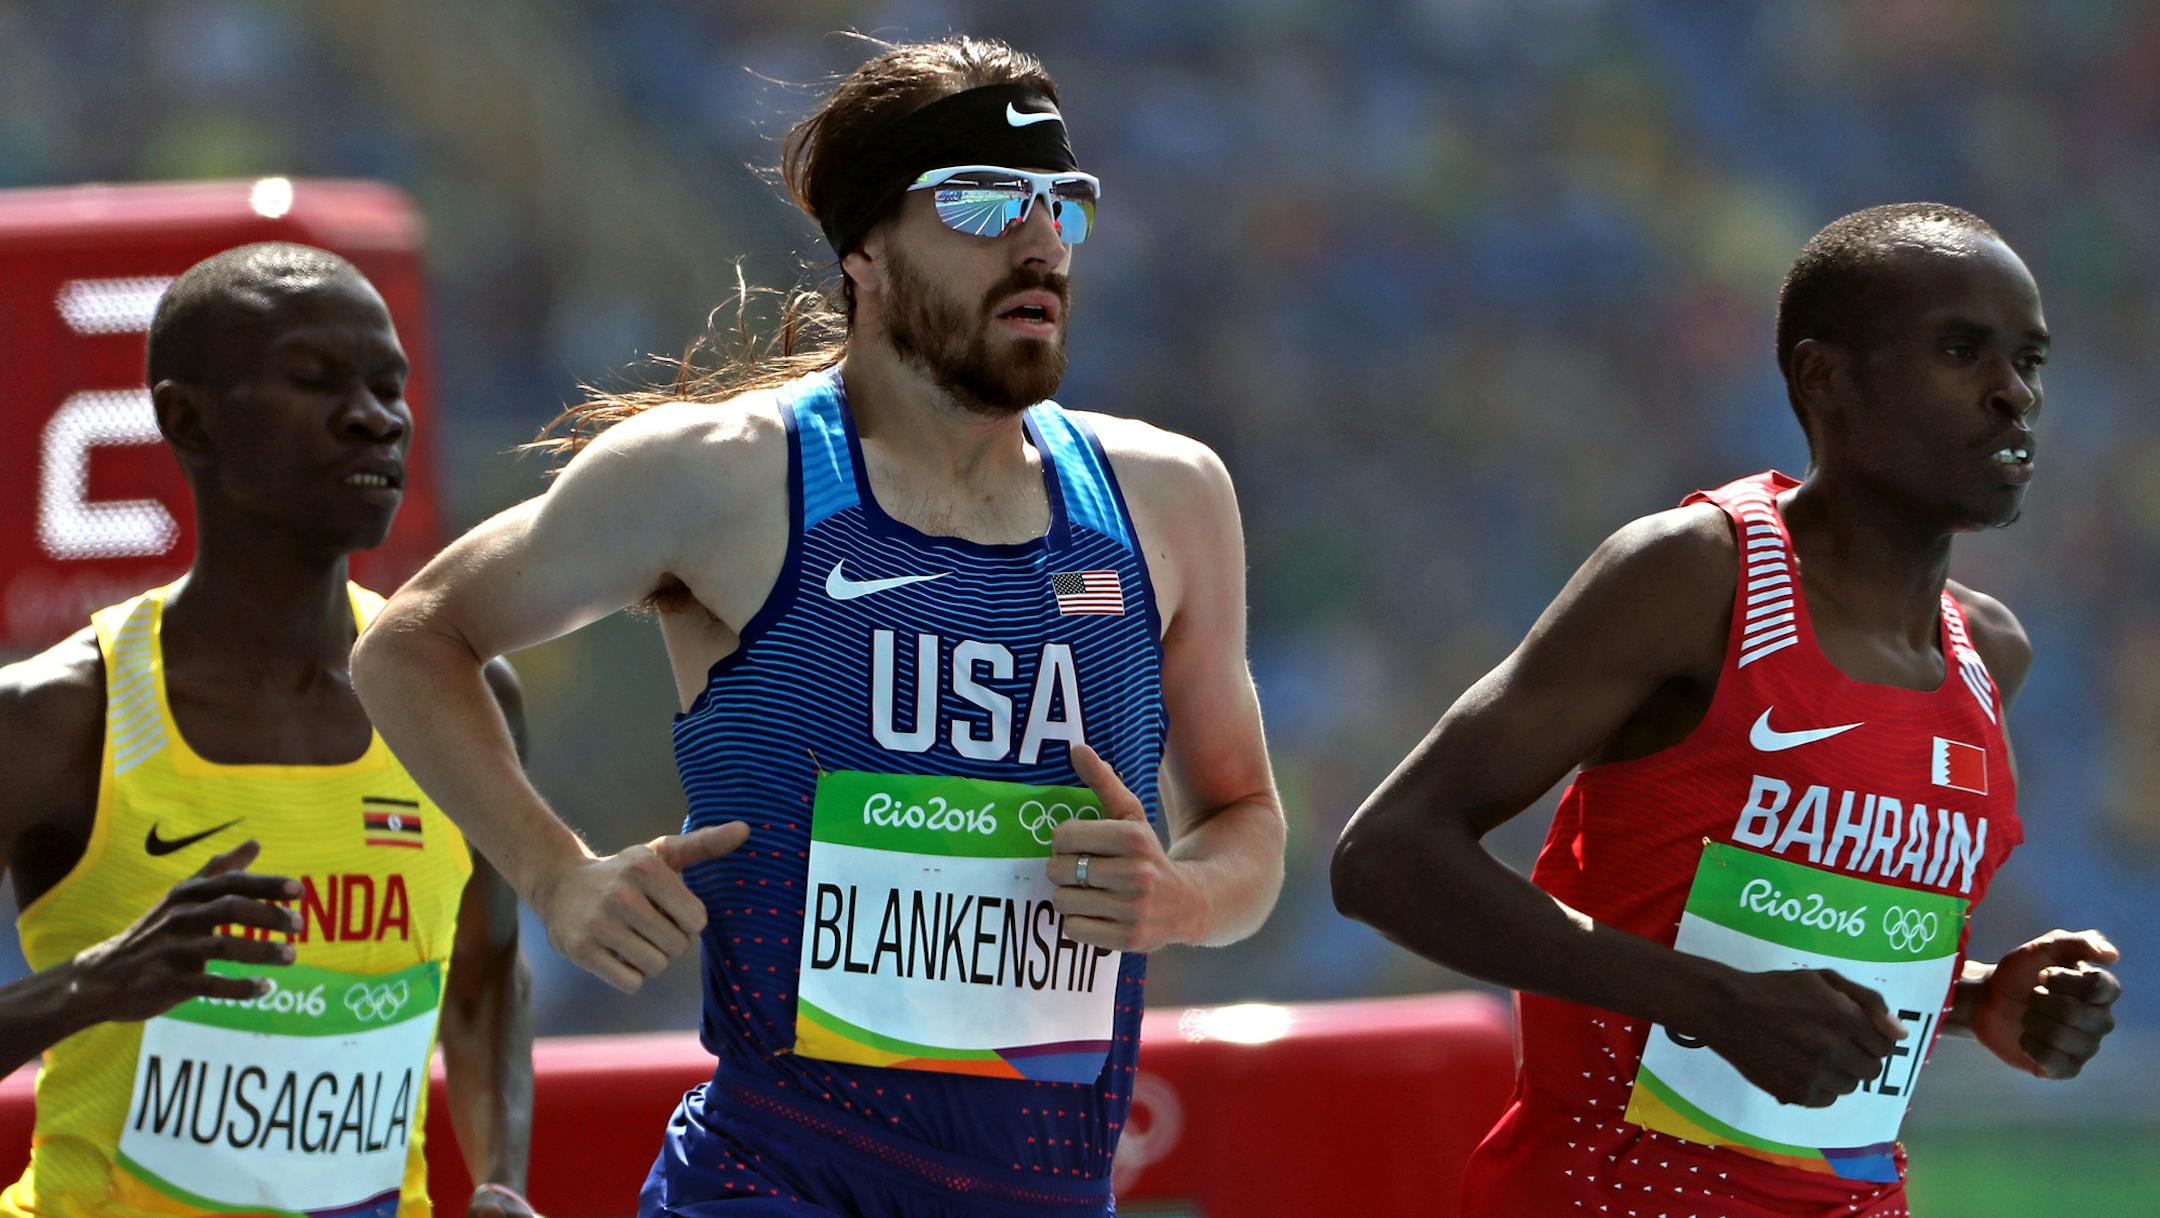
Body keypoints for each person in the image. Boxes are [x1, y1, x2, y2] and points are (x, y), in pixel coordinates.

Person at [350, 34, 1285, 1218]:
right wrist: (555, 874)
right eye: (984, 202)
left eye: (1062, 204)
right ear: (868, 255)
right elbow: (410, 640)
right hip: (777, 1178)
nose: (1039, 238)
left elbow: (1246, 821)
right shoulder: (718, 480)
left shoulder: (1170, 497)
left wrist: (1183, 899)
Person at [1332, 203, 2122, 1217]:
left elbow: (1798, 957)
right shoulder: (1697, 577)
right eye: (1962, 352)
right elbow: (1387, 856)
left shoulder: (1987, 655)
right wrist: (1708, 1002)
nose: (2014, 395)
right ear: (1823, 377)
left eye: (2031, 360)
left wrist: (1976, 1000)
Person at [0, 243, 535, 1218]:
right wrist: (98, 985)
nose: (373, 417)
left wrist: (500, 1178)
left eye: (388, 385)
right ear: (187, 419)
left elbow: (485, 978)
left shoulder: (463, 695)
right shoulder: (57, 716)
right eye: (314, 380)